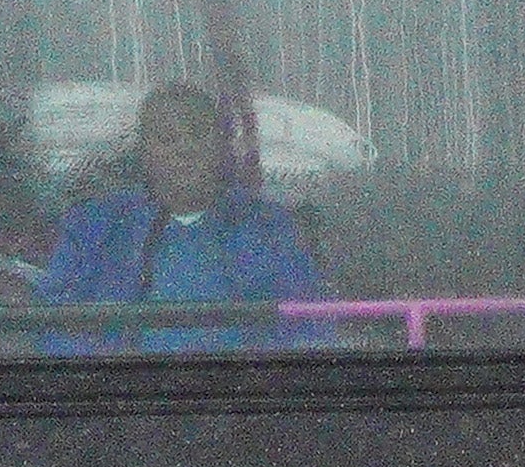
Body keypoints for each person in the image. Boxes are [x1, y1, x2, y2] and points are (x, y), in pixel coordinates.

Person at [41, 80, 325, 338]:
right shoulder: (96, 228)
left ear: (220, 146)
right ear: (144, 151)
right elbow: (55, 328)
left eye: (197, 134)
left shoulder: (270, 228)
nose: (184, 149)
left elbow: (307, 328)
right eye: (167, 138)